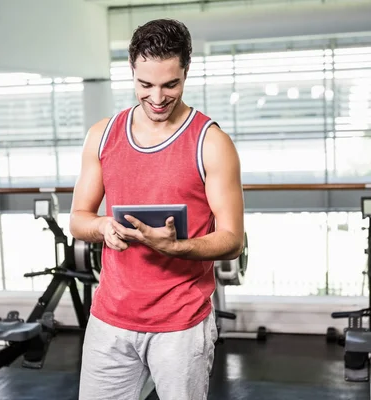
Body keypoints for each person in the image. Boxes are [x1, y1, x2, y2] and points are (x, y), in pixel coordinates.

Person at [69, 18, 245, 400]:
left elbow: (233, 240)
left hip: (181, 325)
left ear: (186, 71)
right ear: (131, 70)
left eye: (170, 84)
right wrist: (103, 228)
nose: (158, 97)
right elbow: (78, 219)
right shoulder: (102, 135)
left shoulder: (211, 143)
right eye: (145, 85)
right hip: (109, 319)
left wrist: (176, 247)